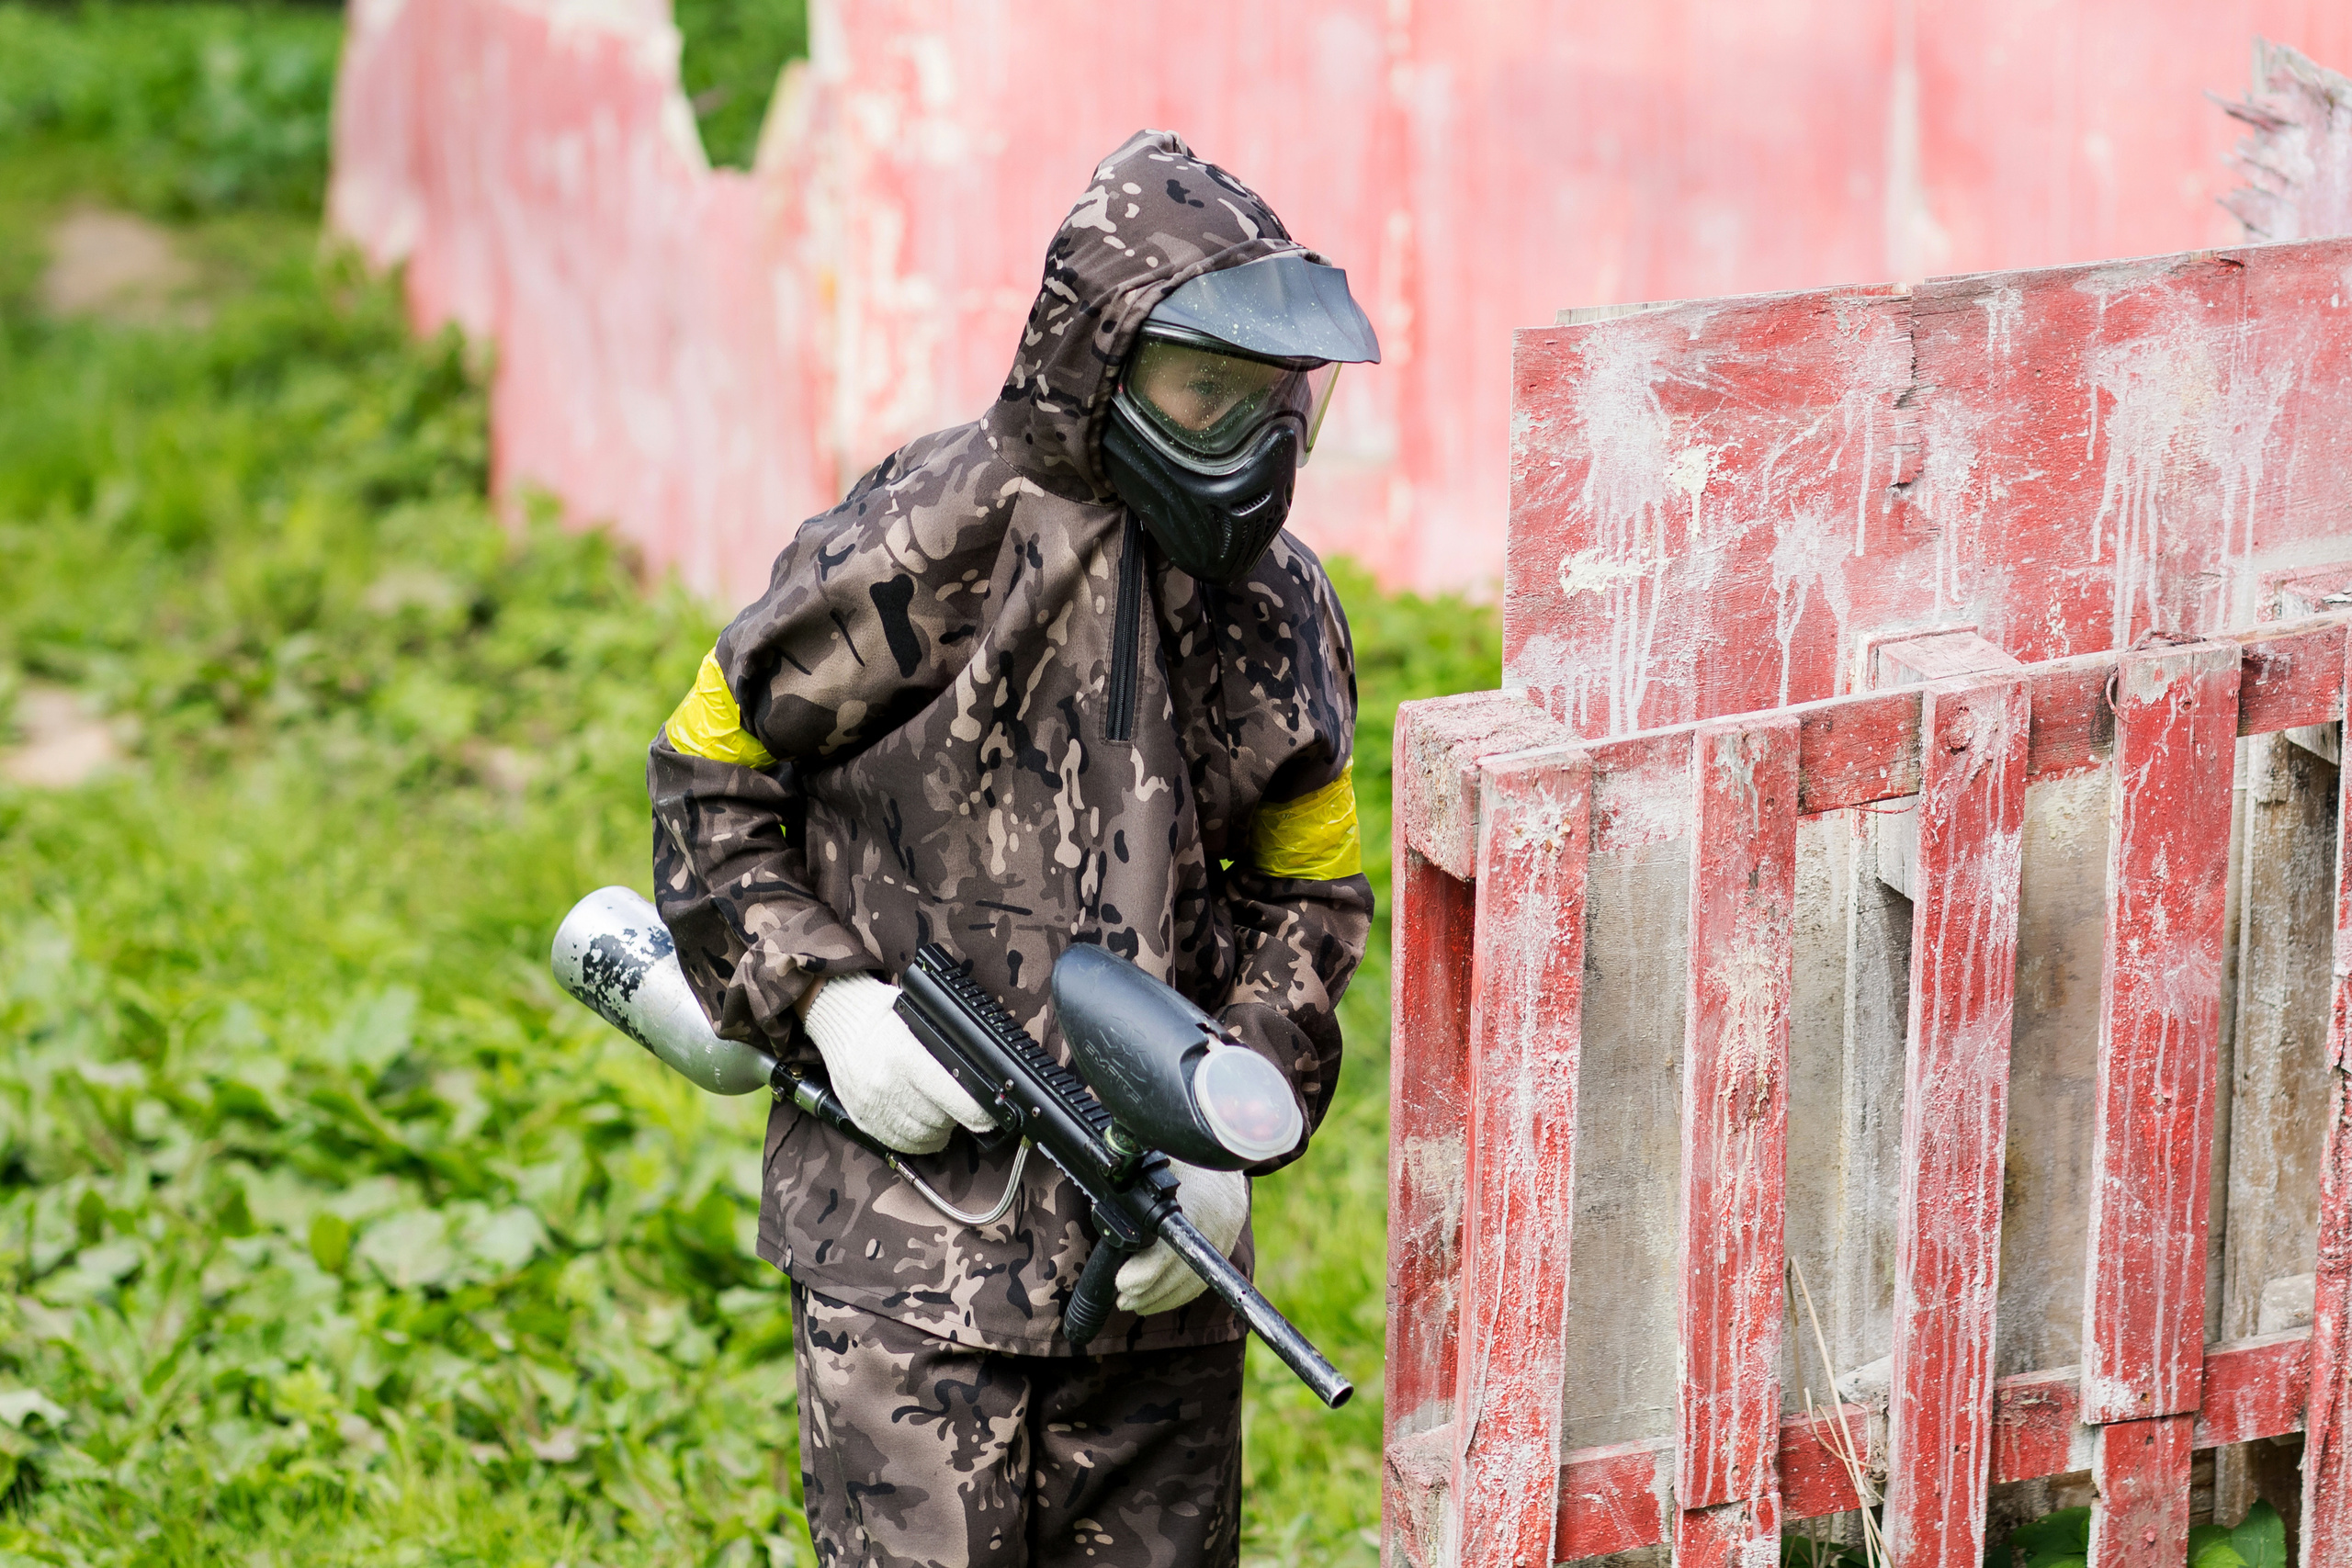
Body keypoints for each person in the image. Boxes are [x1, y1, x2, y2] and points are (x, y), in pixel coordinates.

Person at [647, 128, 1378, 1567]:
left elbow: (1312, 897)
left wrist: (1235, 1124)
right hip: (905, 1256)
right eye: (1207, 392)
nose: (1255, 439)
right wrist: (829, 1005)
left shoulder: (1277, 606)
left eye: (1274, 397)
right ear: (1099, 364)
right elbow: (710, 771)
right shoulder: (934, 538)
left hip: (1157, 1277)